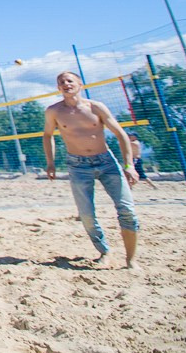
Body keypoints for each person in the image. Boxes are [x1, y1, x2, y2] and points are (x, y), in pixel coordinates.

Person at [43, 71, 140, 267]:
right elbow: (47, 135)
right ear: (58, 88)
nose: (66, 84)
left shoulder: (95, 107)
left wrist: (129, 165)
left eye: (70, 80)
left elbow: (120, 134)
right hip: (77, 165)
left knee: (127, 210)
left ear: (80, 84)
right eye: (61, 82)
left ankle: (131, 260)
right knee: (86, 215)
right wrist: (50, 163)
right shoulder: (54, 111)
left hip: (106, 161)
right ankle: (104, 252)